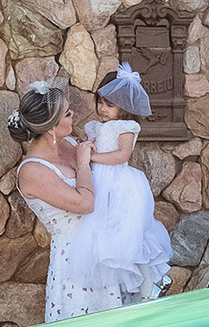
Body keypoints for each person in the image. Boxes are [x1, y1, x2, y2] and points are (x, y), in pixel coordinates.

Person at [67, 63, 172, 310]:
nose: (102, 108)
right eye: (100, 101)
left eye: (110, 104)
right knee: (111, 240)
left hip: (120, 186)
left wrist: (91, 158)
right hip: (100, 185)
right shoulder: (96, 126)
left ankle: (151, 286)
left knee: (131, 239)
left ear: (124, 107)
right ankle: (129, 293)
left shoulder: (126, 127)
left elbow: (122, 156)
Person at [7, 79, 98, 322]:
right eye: (68, 113)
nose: (73, 115)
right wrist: (82, 163)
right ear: (51, 128)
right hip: (75, 261)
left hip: (103, 248)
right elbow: (85, 204)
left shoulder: (68, 143)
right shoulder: (32, 171)